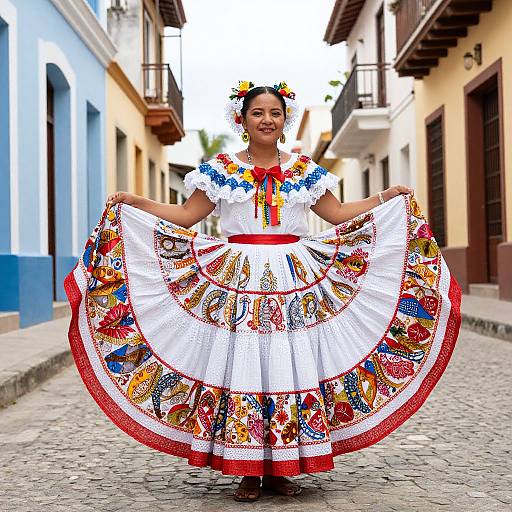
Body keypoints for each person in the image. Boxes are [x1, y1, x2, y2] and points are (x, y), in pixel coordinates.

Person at [65, 81, 462, 503]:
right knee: (245, 364)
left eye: (274, 113)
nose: (267, 120)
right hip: (238, 281)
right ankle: (248, 470)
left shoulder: (304, 171)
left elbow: (338, 214)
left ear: (284, 119)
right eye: (258, 113)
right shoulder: (219, 170)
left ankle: (282, 467)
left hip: (294, 280)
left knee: (289, 364)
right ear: (242, 118)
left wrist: (386, 197)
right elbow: (184, 216)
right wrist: (135, 203)